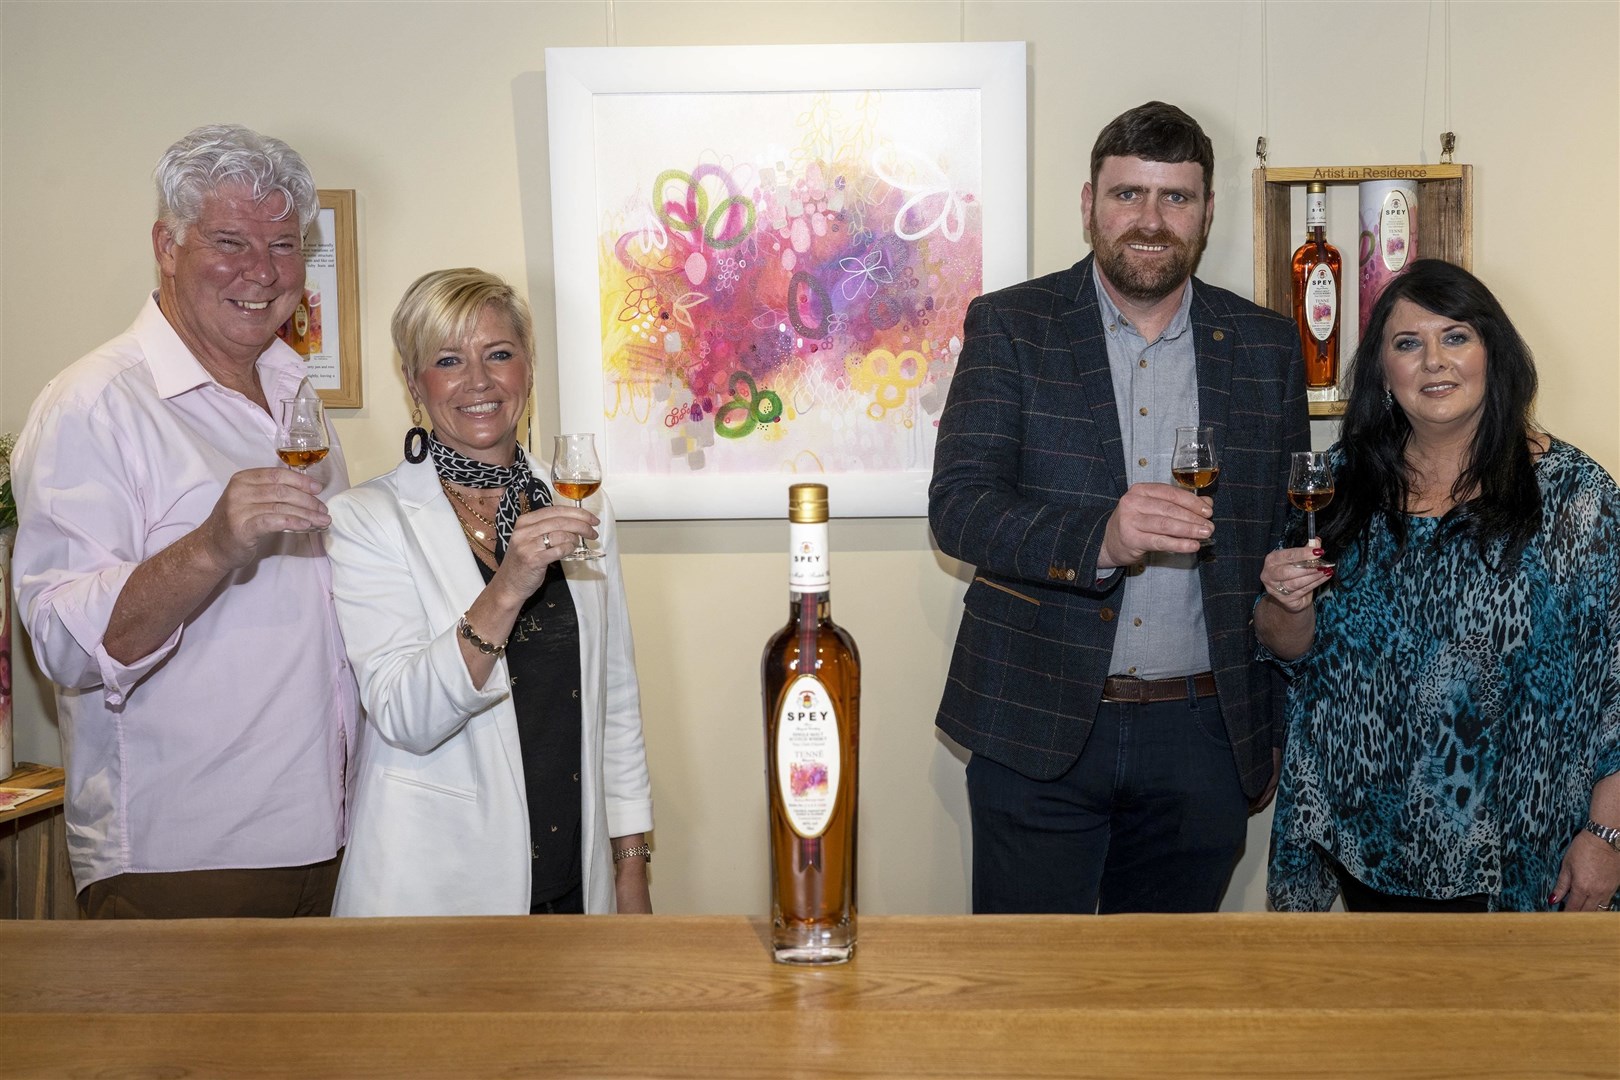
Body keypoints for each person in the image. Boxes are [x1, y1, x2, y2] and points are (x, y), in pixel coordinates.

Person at [929, 101, 1310, 914]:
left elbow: (1283, 536)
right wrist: (1099, 537)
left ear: (1207, 212)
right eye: (1128, 193)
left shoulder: (1266, 346)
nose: (1150, 219)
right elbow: (959, 509)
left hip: (1205, 734)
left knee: (1167, 1011)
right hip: (1036, 726)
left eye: (1175, 198)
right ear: (1088, 204)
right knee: (1029, 1002)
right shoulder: (1010, 325)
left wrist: (1272, 696)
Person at [10, 125, 356, 917]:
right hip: (187, 859)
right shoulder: (93, 404)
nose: (262, 272)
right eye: (230, 241)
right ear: (167, 246)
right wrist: (210, 546)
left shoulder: (295, 390)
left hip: (331, 836)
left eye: (283, 245)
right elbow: (63, 644)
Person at [1259, 259, 1620, 913]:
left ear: (1493, 353)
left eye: (1455, 337)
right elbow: (1290, 651)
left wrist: (1608, 835)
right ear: (1383, 372)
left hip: (1525, 857)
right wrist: (1285, 602)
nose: (1434, 362)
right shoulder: (1336, 484)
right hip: (1362, 851)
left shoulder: (1576, 497)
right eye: (1408, 344)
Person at [324, 268, 653, 916]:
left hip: (573, 882)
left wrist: (630, 864)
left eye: (498, 354)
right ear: (416, 384)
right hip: (436, 893)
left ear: (528, 370)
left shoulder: (579, 502)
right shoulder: (367, 519)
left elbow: (613, 694)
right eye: (448, 361)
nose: (478, 381)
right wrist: (507, 587)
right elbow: (403, 715)